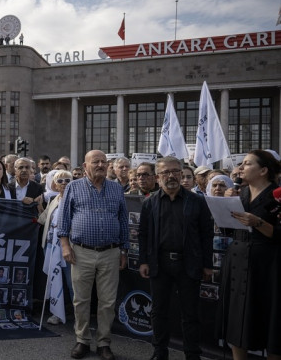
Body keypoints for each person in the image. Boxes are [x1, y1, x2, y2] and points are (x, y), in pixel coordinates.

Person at [138, 157, 214, 360]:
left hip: (189, 263)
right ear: (157, 177)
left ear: (181, 174)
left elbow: (207, 235)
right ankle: (159, 351)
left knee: (190, 313)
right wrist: (143, 261)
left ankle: (192, 354)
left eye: (175, 171)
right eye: (165, 172)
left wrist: (208, 264)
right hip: (159, 263)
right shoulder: (149, 203)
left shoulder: (197, 201)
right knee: (159, 311)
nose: (170, 176)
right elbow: (143, 234)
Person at [57, 149, 129, 360]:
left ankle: (104, 343)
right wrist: (65, 246)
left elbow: (123, 221)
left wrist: (124, 250)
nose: (100, 165)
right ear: (84, 165)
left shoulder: (116, 189)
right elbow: (64, 220)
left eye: (103, 162)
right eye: (95, 162)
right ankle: (82, 340)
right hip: (81, 252)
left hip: (110, 252)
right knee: (81, 300)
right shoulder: (73, 187)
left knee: (107, 301)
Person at [224, 150, 281, 360]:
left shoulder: (278, 195)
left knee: (271, 321)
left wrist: (258, 222)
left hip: (268, 267)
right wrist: (225, 206)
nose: (240, 168)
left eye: (247, 163)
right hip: (238, 264)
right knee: (238, 321)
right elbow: (228, 229)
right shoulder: (241, 193)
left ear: (263, 170)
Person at [38, 169, 74, 325]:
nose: (64, 184)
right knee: (54, 280)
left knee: (72, 283)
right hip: (51, 246)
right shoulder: (54, 200)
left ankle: (80, 317)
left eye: (67, 180)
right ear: (54, 185)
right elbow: (42, 219)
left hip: (70, 248)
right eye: (60, 181)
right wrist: (36, 204)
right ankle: (57, 313)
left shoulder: (77, 199)